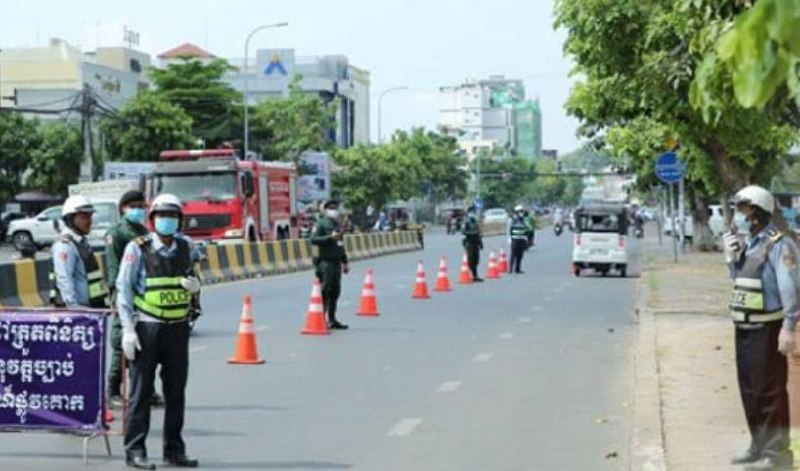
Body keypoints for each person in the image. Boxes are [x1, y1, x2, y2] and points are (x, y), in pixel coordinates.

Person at [117, 193, 200, 469]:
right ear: (152, 220)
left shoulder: (187, 246)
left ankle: (174, 450)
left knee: (176, 393)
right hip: (147, 327)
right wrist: (128, 329)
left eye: (172, 215)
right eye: (162, 215)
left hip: (177, 329)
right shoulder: (137, 248)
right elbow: (123, 290)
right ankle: (135, 451)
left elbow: (195, 276)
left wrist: (197, 288)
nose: (167, 220)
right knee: (140, 394)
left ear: (180, 220)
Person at [724, 185, 799, 471]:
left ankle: (777, 454)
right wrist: (730, 258)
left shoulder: (779, 244)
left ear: (757, 211)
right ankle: (758, 447)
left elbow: (789, 288)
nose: (739, 215)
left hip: (768, 330)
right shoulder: (749, 244)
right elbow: (741, 281)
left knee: (770, 392)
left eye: (743, 209)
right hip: (745, 328)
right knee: (751, 391)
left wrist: (789, 327)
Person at [104, 190, 165, 410]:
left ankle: (145, 390)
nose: (139, 209)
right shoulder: (117, 233)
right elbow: (113, 268)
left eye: (142, 205)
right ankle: (112, 389)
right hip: (125, 293)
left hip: (144, 296)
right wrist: (116, 297)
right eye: (135, 206)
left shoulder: (142, 231)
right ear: (124, 208)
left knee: (146, 343)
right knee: (122, 342)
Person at [50, 195, 109, 309]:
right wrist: (74, 311)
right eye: (84, 217)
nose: (89, 221)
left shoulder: (82, 242)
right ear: (70, 219)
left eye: (90, 216)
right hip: (79, 311)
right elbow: (64, 280)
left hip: (92, 307)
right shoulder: (65, 246)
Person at [311, 200, 350, 329]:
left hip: (336, 263)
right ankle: (320, 317)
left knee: (335, 291)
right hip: (326, 263)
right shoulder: (320, 224)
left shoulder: (337, 225)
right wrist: (329, 238)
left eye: (336, 208)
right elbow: (314, 240)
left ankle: (332, 319)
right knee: (325, 290)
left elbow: (340, 245)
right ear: (327, 210)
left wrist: (345, 261)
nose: (335, 211)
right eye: (332, 208)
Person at [462, 205, 484, 282]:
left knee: (476, 260)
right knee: (470, 259)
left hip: (476, 242)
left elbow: (479, 233)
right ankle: (473, 275)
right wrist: (473, 233)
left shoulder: (475, 221)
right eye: (472, 211)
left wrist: (481, 242)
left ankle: (475, 275)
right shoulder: (466, 221)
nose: (473, 213)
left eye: (474, 211)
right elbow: (463, 232)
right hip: (470, 242)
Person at [508, 205, 529, 274]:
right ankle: (510, 269)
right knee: (513, 254)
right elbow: (509, 229)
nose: (521, 213)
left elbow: (525, 229)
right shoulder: (512, 219)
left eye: (522, 211)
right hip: (514, 239)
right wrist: (509, 238)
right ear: (516, 212)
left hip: (521, 239)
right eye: (520, 211)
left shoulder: (523, 219)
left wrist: (525, 237)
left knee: (520, 254)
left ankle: (517, 269)